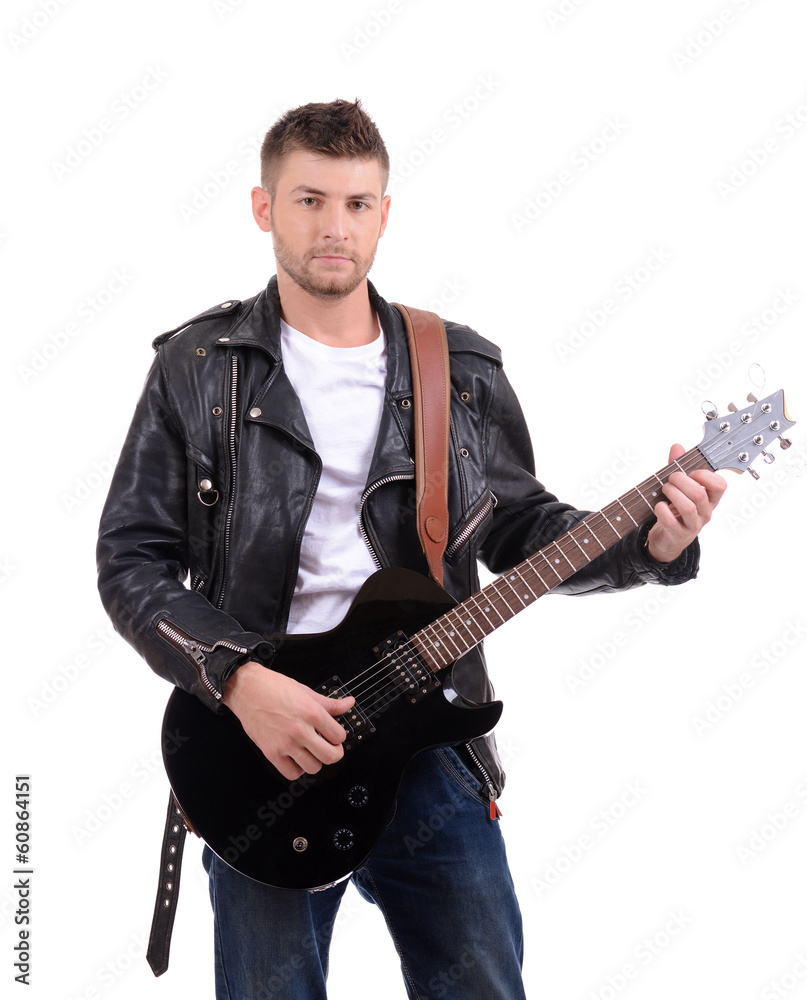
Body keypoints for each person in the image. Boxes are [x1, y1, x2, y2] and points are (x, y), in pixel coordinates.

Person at [96, 99, 726, 999]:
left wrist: (652, 544)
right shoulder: (198, 367)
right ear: (262, 207)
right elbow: (131, 561)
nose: (334, 226)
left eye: (357, 203)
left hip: (430, 733)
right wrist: (239, 678)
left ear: (384, 213)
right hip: (261, 742)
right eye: (309, 199)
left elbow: (519, 529)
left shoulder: (454, 369)